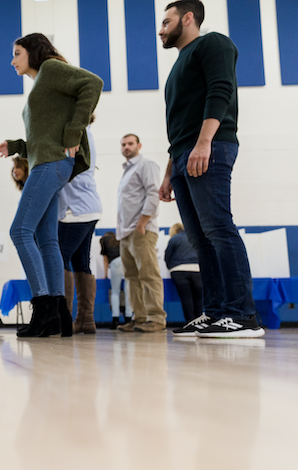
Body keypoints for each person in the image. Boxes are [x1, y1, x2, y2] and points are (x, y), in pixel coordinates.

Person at [158, 0, 262, 337]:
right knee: (201, 239)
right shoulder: (177, 66)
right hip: (185, 153)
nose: (161, 29)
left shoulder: (213, 43)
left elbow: (221, 91)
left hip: (210, 146)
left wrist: (205, 143)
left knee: (219, 228)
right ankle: (216, 312)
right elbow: (178, 124)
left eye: (166, 21)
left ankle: (242, 315)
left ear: (188, 18)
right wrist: (170, 169)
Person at [0, 33, 103, 338]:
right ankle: (58, 315)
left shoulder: (52, 70)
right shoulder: (43, 82)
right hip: (49, 161)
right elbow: (44, 136)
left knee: (19, 231)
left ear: (33, 52)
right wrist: (17, 144)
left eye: (17, 53)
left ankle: (43, 307)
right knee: (46, 238)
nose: (12, 60)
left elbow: (93, 83)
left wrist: (73, 133)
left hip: (52, 164)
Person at [116, 134, 167, 333]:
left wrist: (143, 222)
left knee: (148, 274)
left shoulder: (146, 165)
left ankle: (156, 318)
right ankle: (139, 318)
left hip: (141, 229)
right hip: (125, 232)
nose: (126, 147)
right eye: (123, 144)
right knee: (132, 277)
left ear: (139, 145)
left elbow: (153, 193)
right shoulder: (127, 171)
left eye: (130, 143)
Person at [58, 118, 102, 334]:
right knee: (80, 262)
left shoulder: (77, 133)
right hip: (87, 206)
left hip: (75, 207)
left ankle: (63, 319)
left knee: (60, 256)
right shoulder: (87, 133)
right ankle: (85, 320)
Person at [166, 222, 203, 326]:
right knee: (198, 297)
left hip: (179, 269)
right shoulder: (195, 237)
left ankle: (190, 322)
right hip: (197, 269)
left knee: (185, 297)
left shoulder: (174, 239)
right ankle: (200, 321)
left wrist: (171, 267)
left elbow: (168, 255)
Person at [100, 231, 133, 329]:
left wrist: (105, 274)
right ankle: (128, 317)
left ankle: (115, 319)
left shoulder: (104, 240)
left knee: (115, 292)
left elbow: (105, 259)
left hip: (115, 263)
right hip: (125, 261)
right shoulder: (119, 239)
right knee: (128, 291)